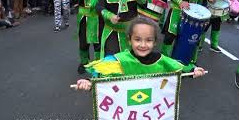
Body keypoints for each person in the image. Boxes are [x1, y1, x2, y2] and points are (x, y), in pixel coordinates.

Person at [75, 18, 206, 90]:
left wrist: (194, 70)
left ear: (155, 42)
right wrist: (89, 82)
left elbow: (178, 68)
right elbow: (100, 77)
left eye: (149, 40)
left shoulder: (160, 60)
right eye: (137, 39)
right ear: (129, 40)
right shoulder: (118, 61)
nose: (143, 45)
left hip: (150, 111)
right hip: (124, 111)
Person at [158, 0, 209, 69]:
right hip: (177, 9)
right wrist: (180, 1)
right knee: (170, 36)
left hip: (194, 10)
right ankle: (164, 62)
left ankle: (190, 63)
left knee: (193, 37)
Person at [61, 0, 103, 74]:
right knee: (84, 42)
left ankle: (99, 65)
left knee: (98, 42)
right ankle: (84, 62)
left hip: (98, 17)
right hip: (84, 17)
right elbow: (72, 0)